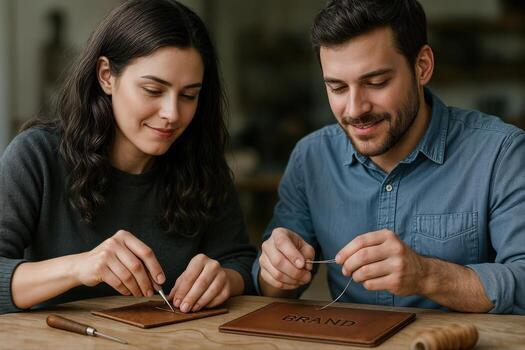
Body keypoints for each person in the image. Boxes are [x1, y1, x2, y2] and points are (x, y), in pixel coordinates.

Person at [254, 0, 525, 314]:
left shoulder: (501, 154)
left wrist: (427, 275)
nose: (355, 109)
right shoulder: (311, 157)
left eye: (376, 83)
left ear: (422, 66)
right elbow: (269, 291)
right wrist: (275, 271)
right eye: (338, 88)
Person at [0, 0, 256, 315]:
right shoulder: (36, 157)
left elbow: (241, 262)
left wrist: (224, 279)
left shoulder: (202, 165)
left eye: (189, 95)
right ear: (107, 76)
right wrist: (80, 267)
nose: (172, 114)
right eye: (152, 90)